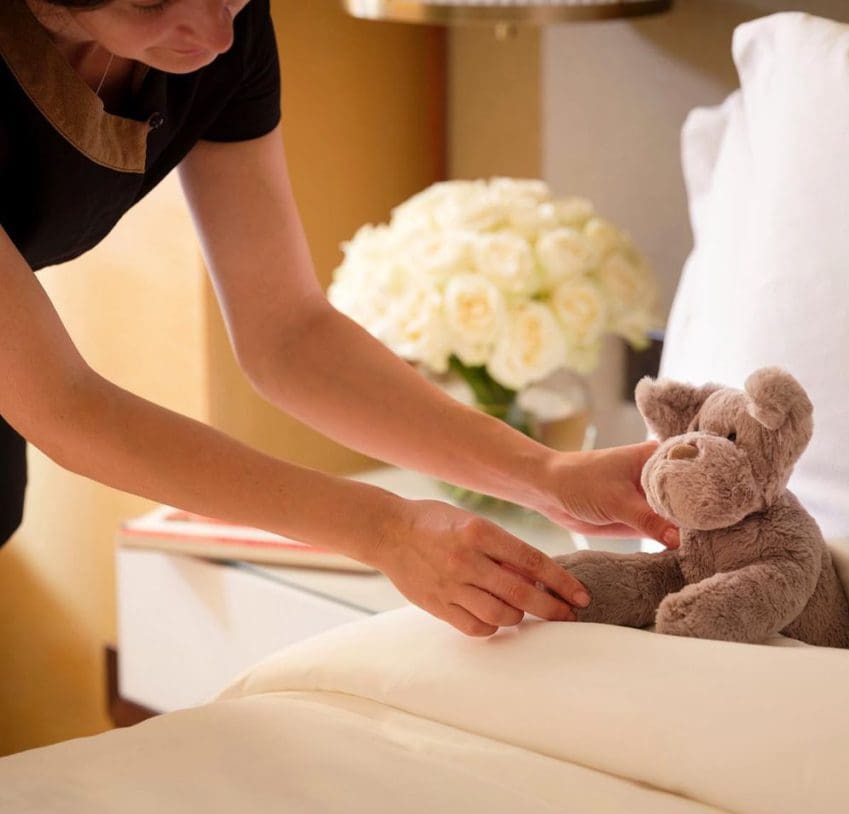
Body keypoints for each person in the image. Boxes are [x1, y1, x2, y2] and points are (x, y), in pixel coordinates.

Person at [0, 0, 679, 638]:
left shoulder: (219, 29)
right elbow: (66, 405)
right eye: (152, 3)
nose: (216, 36)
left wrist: (544, 475)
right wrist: (384, 530)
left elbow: (288, 335)